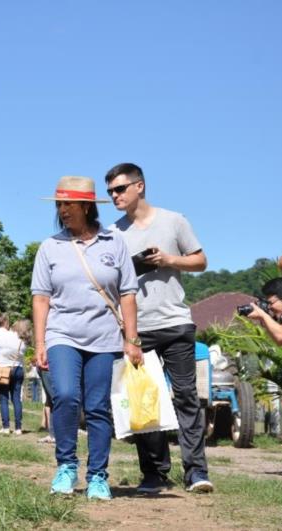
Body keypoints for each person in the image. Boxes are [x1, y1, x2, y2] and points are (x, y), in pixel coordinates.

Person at [105, 162, 213, 494]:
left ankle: (196, 472)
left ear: (140, 186)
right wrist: (133, 266)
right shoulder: (113, 232)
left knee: (186, 397)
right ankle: (154, 473)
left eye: (119, 189)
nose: (114, 196)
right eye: (110, 192)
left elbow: (200, 261)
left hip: (177, 322)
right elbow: (109, 281)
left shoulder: (174, 220)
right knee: (143, 401)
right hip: (138, 328)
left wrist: (168, 260)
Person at [32, 175, 141, 500]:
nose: (63, 210)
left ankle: (97, 476)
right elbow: (40, 297)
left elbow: (128, 294)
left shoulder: (114, 243)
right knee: (65, 396)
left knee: (97, 407)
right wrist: (40, 342)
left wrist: (132, 340)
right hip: (62, 333)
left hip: (105, 338)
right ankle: (66, 466)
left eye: (69, 204)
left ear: (87, 206)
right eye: (59, 204)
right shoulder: (50, 246)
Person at [247, 277, 282, 483]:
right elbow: (279, 338)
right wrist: (264, 318)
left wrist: (262, 313)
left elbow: (281, 337)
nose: (269, 307)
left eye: (271, 303)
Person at [0, 315, 31, 436]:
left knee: (3, 399)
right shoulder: (23, 340)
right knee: (16, 399)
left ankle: (6, 427)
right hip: (18, 369)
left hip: (3, 368)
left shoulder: (3, 333)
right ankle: (18, 428)